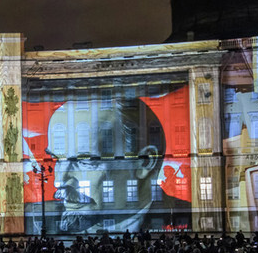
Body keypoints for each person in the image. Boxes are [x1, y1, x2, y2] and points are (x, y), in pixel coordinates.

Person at [46, 88, 191, 235]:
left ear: (145, 162)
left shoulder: (185, 216)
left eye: (85, 161)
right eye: (56, 159)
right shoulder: (44, 218)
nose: (59, 181)